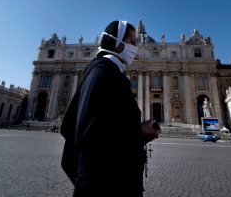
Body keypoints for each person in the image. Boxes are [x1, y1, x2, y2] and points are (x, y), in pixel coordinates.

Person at [61, 20, 161, 197]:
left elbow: (106, 123)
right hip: (103, 184)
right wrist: (139, 133)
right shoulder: (103, 72)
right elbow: (92, 133)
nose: (135, 48)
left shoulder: (107, 71)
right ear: (118, 43)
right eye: (132, 42)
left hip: (105, 179)